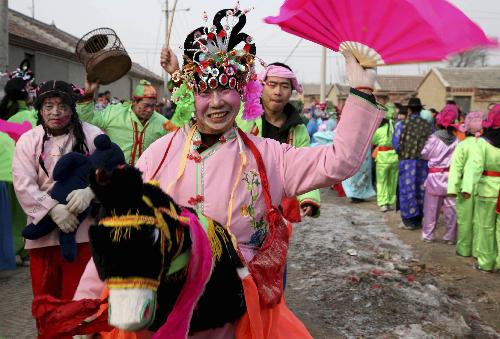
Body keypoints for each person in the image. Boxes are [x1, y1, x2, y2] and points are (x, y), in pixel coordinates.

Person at [72, 7, 385, 338]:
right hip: (165, 313)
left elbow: (339, 161)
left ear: (244, 93)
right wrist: (86, 306)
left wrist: (362, 89)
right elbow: (122, 229)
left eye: (226, 89)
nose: (217, 102)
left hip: (237, 314)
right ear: (189, 96)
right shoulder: (160, 155)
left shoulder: (268, 157)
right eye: (205, 92)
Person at [12, 80, 102, 329]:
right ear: (39, 110)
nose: (55, 112)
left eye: (62, 105)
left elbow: (111, 171)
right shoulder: (28, 140)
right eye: (48, 105)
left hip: (83, 236)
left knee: (81, 302)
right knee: (47, 305)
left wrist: (90, 191)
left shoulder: (93, 135)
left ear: (72, 108)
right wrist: (52, 208)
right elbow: (23, 182)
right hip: (42, 239)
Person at [237, 62, 321, 220]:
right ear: (261, 88)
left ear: (291, 92)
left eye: (284, 86)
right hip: (242, 196)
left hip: (279, 204)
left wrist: (307, 198)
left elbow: (304, 166)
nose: (278, 91)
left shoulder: (298, 129)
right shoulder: (243, 115)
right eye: (272, 84)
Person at [76, 79, 168, 165]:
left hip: (147, 177)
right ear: (134, 101)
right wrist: (88, 93)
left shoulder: (163, 123)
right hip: (116, 175)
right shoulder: (114, 113)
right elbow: (87, 118)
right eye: (146, 105)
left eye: (153, 106)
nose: (149, 110)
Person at [461, 104, 500, 272]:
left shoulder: (482, 143)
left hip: (487, 192)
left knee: (486, 228)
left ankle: (485, 262)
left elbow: (475, 167)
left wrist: (467, 188)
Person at [448, 111, 485, 257]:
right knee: (481, 221)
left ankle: (464, 249)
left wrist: (452, 188)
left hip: (465, 186)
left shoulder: (462, 145)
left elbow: (455, 168)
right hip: (484, 185)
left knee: (464, 220)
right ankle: (478, 251)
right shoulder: (487, 144)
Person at [420, 104, 459, 243]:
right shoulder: (457, 140)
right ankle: (450, 237)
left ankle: (429, 235)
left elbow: (424, 154)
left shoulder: (433, 138)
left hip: (435, 178)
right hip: (451, 178)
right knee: (452, 210)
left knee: (431, 208)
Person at [393, 97, 433, 230]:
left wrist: (403, 153)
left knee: (407, 189)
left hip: (407, 162)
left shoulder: (401, 125)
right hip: (423, 163)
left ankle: (409, 221)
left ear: (409, 109)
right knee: (421, 190)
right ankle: (418, 220)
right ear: (421, 109)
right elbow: (432, 145)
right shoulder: (428, 126)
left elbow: (396, 144)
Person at [372, 107, 398, 212]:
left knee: (381, 181)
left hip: (383, 158)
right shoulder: (397, 128)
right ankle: (391, 201)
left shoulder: (380, 130)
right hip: (395, 157)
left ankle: (383, 203)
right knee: (392, 181)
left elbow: (373, 141)